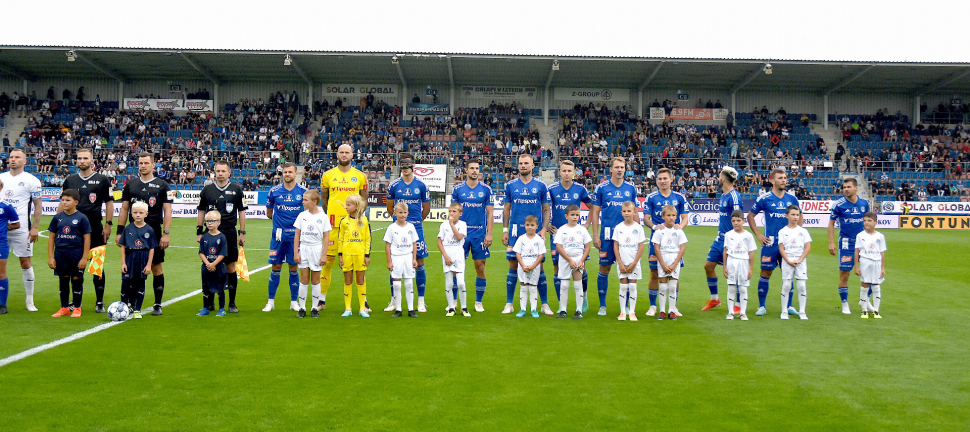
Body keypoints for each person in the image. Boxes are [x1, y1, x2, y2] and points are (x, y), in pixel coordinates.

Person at [116, 152, 172, 316]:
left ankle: (157, 303)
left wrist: (166, 233)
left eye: (146, 163)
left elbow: (167, 211)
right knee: (132, 268)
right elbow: (124, 209)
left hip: (153, 231)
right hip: (132, 232)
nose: (143, 166)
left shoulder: (162, 185)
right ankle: (132, 305)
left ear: (153, 165)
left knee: (156, 267)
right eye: (141, 163)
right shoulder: (131, 185)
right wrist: (120, 232)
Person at [61, 148, 114, 313]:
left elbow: (109, 202)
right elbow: (63, 203)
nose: (82, 161)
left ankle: (99, 302)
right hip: (74, 231)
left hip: (95, 229)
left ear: (92, 161)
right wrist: (58, 222)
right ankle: (76, 302)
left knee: (97, 267)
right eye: (79, 158)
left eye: (85, 158)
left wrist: (109, 224)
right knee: (75, 267)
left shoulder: (103, 180)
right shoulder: (70, 180)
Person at [502, 154, 551, 315]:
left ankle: (544, 304)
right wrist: (504, 230)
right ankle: (509, 303)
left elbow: (546, 209)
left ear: (532, 165)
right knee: (513, 265)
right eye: (521, 163)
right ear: (518, 166)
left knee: (540, 266)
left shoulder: (541, 185)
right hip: (516, 231)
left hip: (535, 232)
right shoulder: (510, 185)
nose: (523, 166)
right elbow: (506, 209)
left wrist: (543, 229)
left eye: (526, 163)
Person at [321, 144, 368, 312]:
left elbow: (363, 200)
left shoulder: (360, 176)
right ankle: (321, 299)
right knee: (327, 261)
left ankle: (364, 302)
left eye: (347, 152)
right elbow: (324, 199)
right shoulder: (327, 175)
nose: (344, 155)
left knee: (358, 263)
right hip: (333, 225)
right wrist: (330, 216)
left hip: (354, 227)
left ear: (352, 154)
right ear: (337, 154)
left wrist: (357, 218)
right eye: (341, 152)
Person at [747, 168, 800, 316]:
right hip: (770, 244)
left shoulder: (792, 199)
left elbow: (800, 217)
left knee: (788, 274)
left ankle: (789, 306)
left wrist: (797, 234)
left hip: (789, 245)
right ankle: (761, 306)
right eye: (780, 178)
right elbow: (750, 216)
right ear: (772, 180)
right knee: (765, 272)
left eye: (785, 178)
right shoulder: (765, 198)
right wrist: (758, 234)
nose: (784, 180)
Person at [588, 157, 637, 316]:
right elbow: (595, 211)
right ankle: (603, 305)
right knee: (604, 268)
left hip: (627, 237)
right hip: (607, 235)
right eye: (616, 167)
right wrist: (595, 234)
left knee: (628, 270)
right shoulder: (601, 188)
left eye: (622, 167)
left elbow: (635, 212)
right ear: (611, 169)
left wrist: (638, 233)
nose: (619, 170)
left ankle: (627, 305)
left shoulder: (630, 188)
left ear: (625, 169)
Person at [196, 161, 247, 313]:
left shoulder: (236, 189)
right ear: (214, 172)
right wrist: (199, 232)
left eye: (223, 171)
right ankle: (209, 303)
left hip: (229, 232)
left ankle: (231, 303)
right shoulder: (207, 190)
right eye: (218, 171)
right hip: (209, 233)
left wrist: (242, 232)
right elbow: (201, 211)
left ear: (229, 172)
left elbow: (242, 212)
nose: (220, 173)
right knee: (210, 266)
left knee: (231, 266)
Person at [385, 153, 430, 312]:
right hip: (397, 229)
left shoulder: (422, 185)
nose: (405, 168)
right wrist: (400, 222)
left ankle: (420, 301)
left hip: (416, 228)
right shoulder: (394, 185)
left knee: (420, 263)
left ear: (413, 166)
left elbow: (426, 209)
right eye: (402, 165)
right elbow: (390, 208)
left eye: (408, 165)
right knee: (394, 265)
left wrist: (415, 222)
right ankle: (394, 301)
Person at [642, 167, 689, 317]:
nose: (662, 181)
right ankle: (653, 306)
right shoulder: (651, 198)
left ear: (671, 179)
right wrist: (655, 226)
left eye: (665, 178)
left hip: (675, 244)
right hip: (657, 242)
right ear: (656, 181)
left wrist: (678, 228)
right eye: (660, 179)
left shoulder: (680, 197)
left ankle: (673, 307)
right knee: (654, 272)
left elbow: (685, 217)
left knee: (675, 274)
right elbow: (646, 218)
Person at [0, 149, 43, 312]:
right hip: (1, 228)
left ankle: (29, 301)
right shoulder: (1, 178)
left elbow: (38, 204)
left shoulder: (32, 180)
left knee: (25, 262)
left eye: (17, 157)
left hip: (22, 229)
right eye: (11, 157)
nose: (13, 159)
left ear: (24, 161)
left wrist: (35, 227)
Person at [547, 160, 592, 312]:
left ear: (574, 172)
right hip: (557, 236)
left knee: (581, 266)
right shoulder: (552, 189)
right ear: (560, 171)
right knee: (557, 267)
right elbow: (545, 208)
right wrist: (546, 225)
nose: (567, 173)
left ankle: (584, 296)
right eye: (564, 171)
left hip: (577, 237)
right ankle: (562, 304)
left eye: (569, 171)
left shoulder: (580, 189)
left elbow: (593, 208)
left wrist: (587, 225)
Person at [450, 160, 494, 312]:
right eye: (472, 168)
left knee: (480, 266)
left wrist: (489, 233)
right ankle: (454, 301)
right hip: (461, 234)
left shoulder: (486, 189)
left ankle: (478, 302)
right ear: (466, 170)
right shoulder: (458, 189)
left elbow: (490, 213)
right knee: (456, 268)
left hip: (479, 234)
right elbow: (453, 212)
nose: (475, 171)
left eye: (477, 168)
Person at [263, 163, 306, 312]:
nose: (287, 174)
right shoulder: (274, 191)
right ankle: (270, 302)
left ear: (296, 174)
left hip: (296, 237)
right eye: (284, 172)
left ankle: (294, 302)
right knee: (276, 266)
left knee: (293, 267)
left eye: (290, 172)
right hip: (278, 236)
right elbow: (269, 213)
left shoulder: (303, 192)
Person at [702, 166, 743, 312]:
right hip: (720, 240)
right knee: (708, 266)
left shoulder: (733, 196)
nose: (718, 178)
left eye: (719, 176)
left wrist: (736, 240)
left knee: (733, 271)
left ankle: (738, 304)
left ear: (724, 178)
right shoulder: (724, 195)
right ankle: (715, 300)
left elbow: (738, 218)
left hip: (732, 240)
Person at [827, 178, 870, 315]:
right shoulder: (838, 205)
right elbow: (831, 223)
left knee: (869, 274)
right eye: (844, 187)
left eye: (849, 187)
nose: (846, 189)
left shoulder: (864, 203)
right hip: (846, 243)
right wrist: (831, 242)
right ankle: (845, 303)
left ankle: (865, 299)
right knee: (844, 274)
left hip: (863, 243)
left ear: (856, 188)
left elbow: (869, 222)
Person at [47, 189, 91, 317]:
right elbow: (51, 238)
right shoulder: (57, 218)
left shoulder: (82, 218)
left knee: (77, 279)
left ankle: (77, 307)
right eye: (63, 200)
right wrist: (51, 257)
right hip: (60, 253)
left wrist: (84, 258)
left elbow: (87, 238)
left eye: (68, 200)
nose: (64, 203)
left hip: (76, 252)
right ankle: (64, 308)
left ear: (76, 202)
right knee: (63, 279)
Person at [293, 190, 332, 318]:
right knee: (303, 280)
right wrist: (296, 252)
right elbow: (297, 234)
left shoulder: (323, 217)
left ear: (314, 202)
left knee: (316, 280)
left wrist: (324, 254)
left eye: (305, 200)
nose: (303, 202)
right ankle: (302, 308)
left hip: (316, 249)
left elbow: (326, 237)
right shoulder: (302, 215)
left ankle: (314, 307)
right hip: (304, 248)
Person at [553, 204, 591, 319]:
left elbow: (587, 246)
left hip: (578, 259)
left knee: (578, 285)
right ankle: (563, 310)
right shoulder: (562, 229)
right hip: (565, 260)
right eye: (572, 215)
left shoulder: (582, 229)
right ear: (566, 216)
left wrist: (582, 260)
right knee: (564, 285)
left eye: (577, 215)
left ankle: (579, 311)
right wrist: (569, 260)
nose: (575, 217)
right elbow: (559, 247)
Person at [651, 205, 688, 320]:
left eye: (673, 215)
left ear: (676, 216)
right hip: (663, 258)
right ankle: (662, 311)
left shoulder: (679, 231)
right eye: (668, 215)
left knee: (672, 286)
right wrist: (662, 264)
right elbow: (656, 248)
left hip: (674, 259)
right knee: (662, 287)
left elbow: (682, 248)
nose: (671, 218)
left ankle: (671, 310)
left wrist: (674, 264)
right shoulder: (659, 231)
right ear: (663, 216)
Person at [120, 202, 155, 319]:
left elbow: (151, 248)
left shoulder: (149, 230)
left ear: (146, 214)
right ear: (131, 214)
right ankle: (123, 309)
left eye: (141, 213)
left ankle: (137, 310)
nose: (138, 215)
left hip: (142, 259)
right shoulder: (128, 228)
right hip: (130, 258)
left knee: (140, 284)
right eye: (135, 212)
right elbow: (123, 246)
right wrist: (123, 263)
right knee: (125, 284)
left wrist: (149, 265)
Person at [337, 195, 370, 318]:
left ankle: (362, 308)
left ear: (356, 206)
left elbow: (368, 239)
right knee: (348, 280)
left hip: (360, 255)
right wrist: (340, 255)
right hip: (347, 254)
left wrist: (367, 255)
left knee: (360, 281)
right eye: (346, 204)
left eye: (349, 205)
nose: (346, 207)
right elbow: (340, 239)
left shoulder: (364, 221)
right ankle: (348, 308)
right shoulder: (344, 221)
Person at [612, 201, 646, 321]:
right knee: (623, 286)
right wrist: (620, 263)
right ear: (621, 213)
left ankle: (632, 312)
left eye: (629, 211)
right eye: (624, 211)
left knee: (632, 286)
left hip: (634, 262)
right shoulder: (618, 227)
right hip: (622, 262)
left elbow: (641, 246)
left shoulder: (638, 228)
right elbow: (616, 246)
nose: (627, 213)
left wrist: (634, 263)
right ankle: (622, 312)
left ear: (635, 212)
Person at [384, 203, 419, 318]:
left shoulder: (411, 227)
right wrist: (389, 261)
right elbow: (387, 245)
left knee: (409, 283)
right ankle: (398, 309)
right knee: (397, 284)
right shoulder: (391, 228)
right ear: (394, 213)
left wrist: (414, 258)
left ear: (407, 213)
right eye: (400, 213)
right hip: (396, 257)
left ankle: (411, 309)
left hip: (408, 257)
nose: (402, 215)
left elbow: (414, 243)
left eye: (404, 213)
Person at [778, 205, 812, 320]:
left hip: (800, 261)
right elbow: (781, 248)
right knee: (786, 285)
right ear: (787, 216)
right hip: (787, 260)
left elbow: (807, 247)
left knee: (801, 286)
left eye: (797, 215)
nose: (795, 217)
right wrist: (788, 260)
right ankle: (784, 311)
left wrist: (800, 260)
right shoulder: (782, 231)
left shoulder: (803, 231)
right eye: (793, 214)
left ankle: (802, 311)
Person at [723, 210, 756, 321]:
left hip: (743, 262)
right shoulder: (728, 234)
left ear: (743, 221)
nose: (736, 223)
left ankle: (743, 312)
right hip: (731, 262)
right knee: (731, 287)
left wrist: (751, 268)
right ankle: (730, 312)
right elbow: (725, 251)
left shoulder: (749, 236)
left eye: (738, 220)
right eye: (733, 221)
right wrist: (724, 267)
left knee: (742, 288)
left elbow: (751, 252)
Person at [437, 203, 468, 317]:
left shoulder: (463, 224)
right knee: (449, 282)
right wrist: (445, 255)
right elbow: (439, 241)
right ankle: (451, 308)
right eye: (450, 211)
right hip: (447, 253)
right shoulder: (443, 225)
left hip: (458, 253)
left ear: (460, 214)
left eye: (454, 211)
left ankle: (464, 307)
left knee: (461, 283)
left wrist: (451, 224)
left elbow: (459, 237)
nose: (451, 213)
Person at [513, 215, 545, 318]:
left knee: (533, 286)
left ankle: (533, 309)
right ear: (524, 226)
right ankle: (522, 309)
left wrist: (533, 266)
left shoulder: (539, 240)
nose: (530, 227)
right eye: (527, 225)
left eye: (532, 225)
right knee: (523, 286)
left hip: (534, 265)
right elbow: (517, 253)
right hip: (523, 264)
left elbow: (541, 255)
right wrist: (523, 265)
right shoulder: (521, 238)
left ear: (537, 226)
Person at [854, 212, 886, 319]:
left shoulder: (880, 236)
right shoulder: (860, 235)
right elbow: (857, 251)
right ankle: (864, 310)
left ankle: (876, 311)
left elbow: (882, 252)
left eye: (869, 221)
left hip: (876, 262)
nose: (866, 223)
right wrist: (856, 266)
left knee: (876, 286)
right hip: (865, 261)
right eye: (865, 221)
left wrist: (882, 268)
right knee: (865, 286)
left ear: (875, 223)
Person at [197, 211, 228, 317]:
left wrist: (214, 264)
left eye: (212, 221)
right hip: (206, 267)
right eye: (207, 221)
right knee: (206, 287)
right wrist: (208, 264)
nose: (209, 223)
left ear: (218, 222)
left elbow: (223, 253)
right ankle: (206, 308)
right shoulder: (204, 237)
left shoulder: (222, 237)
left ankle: (222, 309)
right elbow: (201, 252)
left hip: (218, 267)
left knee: (220, 288)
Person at [0, 178, 20, 315]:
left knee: (1, 273)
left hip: (1, 243)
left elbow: (16, 223)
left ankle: (2, 304)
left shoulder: (6, 206)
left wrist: (5, 228)